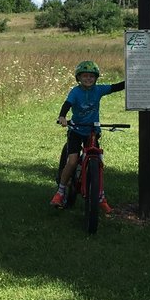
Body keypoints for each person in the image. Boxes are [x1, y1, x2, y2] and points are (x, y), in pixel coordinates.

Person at [50, 60, 125, 214]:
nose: (88, 79)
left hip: (92, 130)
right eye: (84, 76)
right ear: (79, 78)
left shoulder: (98, 90)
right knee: (72, 161)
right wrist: (62, 116)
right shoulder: (75, 92)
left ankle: (101, 197)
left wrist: (133, 79)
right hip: (76, 130)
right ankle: (61, 191)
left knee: (98, 163)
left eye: (91, 76)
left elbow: (116, 87)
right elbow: (67, 104)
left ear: (96, 78)